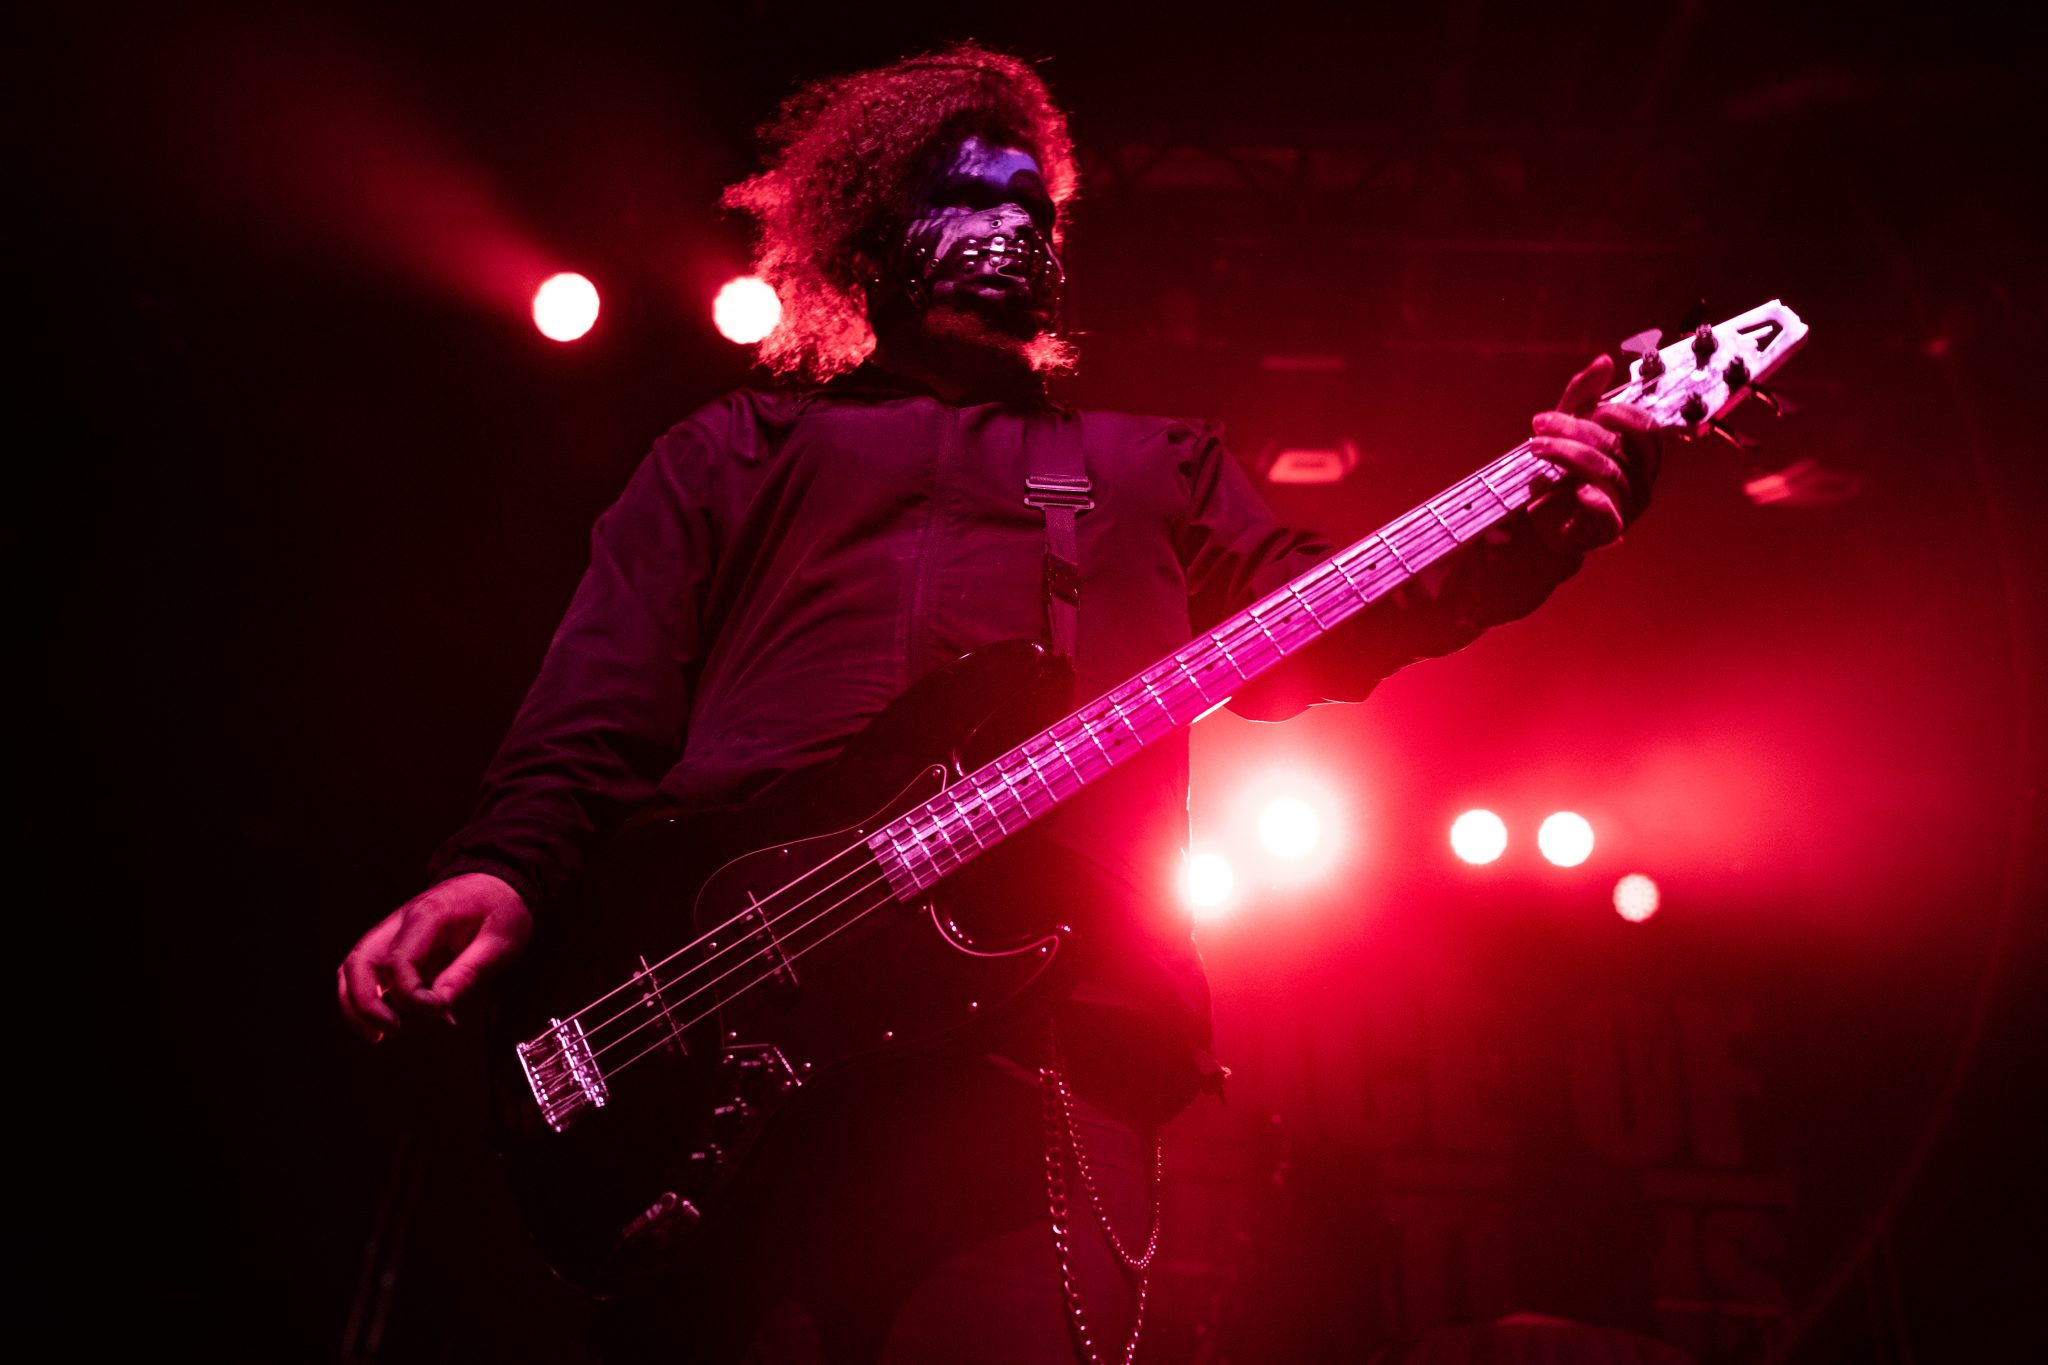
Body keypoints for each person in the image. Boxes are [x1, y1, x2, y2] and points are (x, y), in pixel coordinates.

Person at [335, 43, 1659, 1365]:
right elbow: (599, 702)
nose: (1013, 225)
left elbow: (1333, 620)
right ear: (868, 235)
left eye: (1035, 206)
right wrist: (502, 865)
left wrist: (1529, 526)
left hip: (1045, 1050)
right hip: (724, 1028)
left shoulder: (1150, 469)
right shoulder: (729, 454)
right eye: (968, 195)